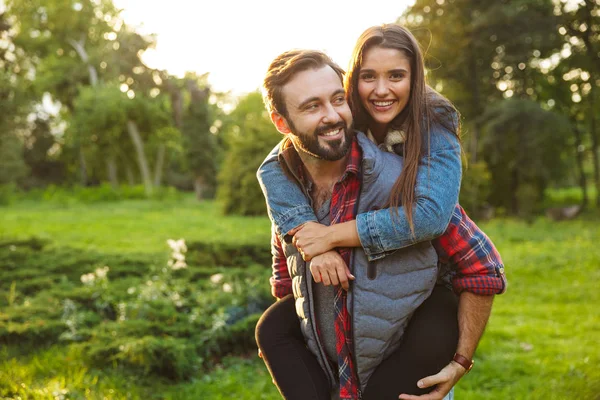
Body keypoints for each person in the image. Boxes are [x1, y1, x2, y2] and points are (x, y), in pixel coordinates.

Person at [256, 25, 506, 400]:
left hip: (419, 328)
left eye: (397, 76)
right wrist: (310, 256)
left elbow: (447, 230)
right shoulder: (291, 187)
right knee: (273, 326)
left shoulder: (413, 159)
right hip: (343, 365)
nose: (381, 90)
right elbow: (285, 270)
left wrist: (460, 361)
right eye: (368, 77)